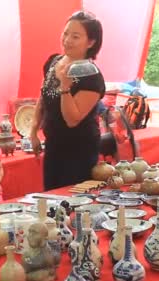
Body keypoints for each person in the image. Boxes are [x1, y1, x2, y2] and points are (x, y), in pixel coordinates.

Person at [29, 11, 106, 190]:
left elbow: (72, 119)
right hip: (53, 145)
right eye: (65, 33)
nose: (67, 40)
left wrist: (65, 87)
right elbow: (43, 97)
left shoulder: (92, 76)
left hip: (79, 150)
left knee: (74, 203)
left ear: (91, 42)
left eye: (75, 36)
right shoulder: (53, 61)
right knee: (52, 199)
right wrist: (33, 131)